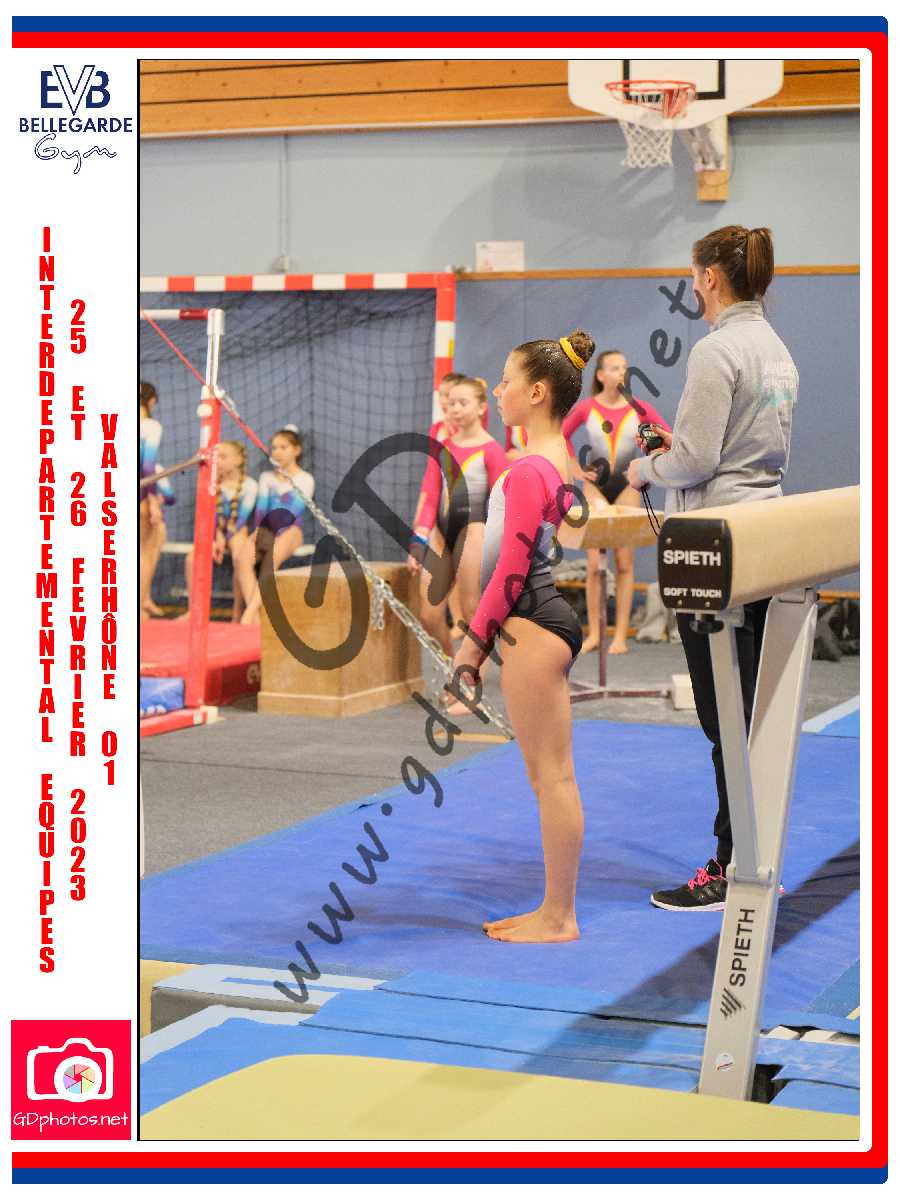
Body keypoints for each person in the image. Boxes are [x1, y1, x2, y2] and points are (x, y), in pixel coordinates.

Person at [626, 225, 798, 912]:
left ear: (709, 279)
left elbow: (694, 462)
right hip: (765, 532)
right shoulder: (775, 348)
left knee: (724, 716)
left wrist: (646, 467)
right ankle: (756, 855)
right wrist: (681, 451)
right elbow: (737, 450)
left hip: (715, 546)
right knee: (747, 712)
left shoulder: (716, 349)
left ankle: (733, 865)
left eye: (694, 276)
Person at [451, 330, 593, 944]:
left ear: (536, 393)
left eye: (507, 380)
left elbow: (511, 570)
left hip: (531, 623)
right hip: (538, 619)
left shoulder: (530, 468)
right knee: (550, 776)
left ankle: (559, 916)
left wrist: (471, 647)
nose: (498, 390)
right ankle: (553, 909)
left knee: (551, 778)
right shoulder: (554, 458)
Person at [408, 377, 506, 710]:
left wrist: (502, 546)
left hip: (474, 532)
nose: (455, 409)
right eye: (450, 403)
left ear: (481, 407)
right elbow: (430, 493)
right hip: (442, 534)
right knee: (428, 613)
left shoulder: (491, 450)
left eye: (463, 402)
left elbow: (503, 502)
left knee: (471, 614)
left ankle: (470, 686)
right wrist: (418, 539)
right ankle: (455, 669)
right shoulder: (442, 448)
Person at [563, 350, 671, 653]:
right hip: (596, 485)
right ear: (600, 375)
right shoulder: (587, 408)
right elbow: (560, 434)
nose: (621, 372)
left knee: (624, 562)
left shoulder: (639, 408)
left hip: (627, 486)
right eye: (614, 367)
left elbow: (667, 437)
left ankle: (620, 635)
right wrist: (574, 469)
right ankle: (595, 634)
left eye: (624, 367)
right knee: (594, 564)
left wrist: (650, 464)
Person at [238, 426, 315, 626]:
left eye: (283, 447)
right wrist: (261, 531)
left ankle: (249, 614)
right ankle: (256, 620)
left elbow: (292, 512)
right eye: (274, 448)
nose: (277, 452)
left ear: (296, 450)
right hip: (266, 529)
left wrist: (272, 533)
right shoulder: (267, 477)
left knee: (269, 561)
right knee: (242, 559)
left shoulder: (305, 479)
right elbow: (261, 510)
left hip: (291, 531)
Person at [184, 441, 258, 622]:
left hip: (237, 530)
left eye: (223, 457)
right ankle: (195, 610)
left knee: (239, 556)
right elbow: (207, 515)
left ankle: (238, 610)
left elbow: (241, 518)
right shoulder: (210, 483)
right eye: (216, 457)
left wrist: (225, 537)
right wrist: (215, 537)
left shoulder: (250, 485)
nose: (218, 461)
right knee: (191, 559)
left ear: (238, 460)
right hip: (214, 532)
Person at [139, 382, 170, 619]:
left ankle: (145, 600)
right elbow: (147, 466)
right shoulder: (150, 425)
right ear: (151, 402)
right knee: (146, 552)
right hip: (140, 494)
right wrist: (151, 502)